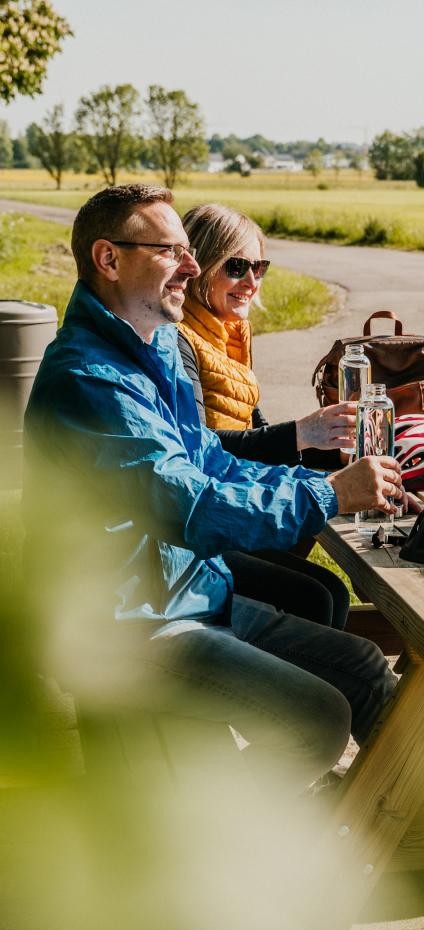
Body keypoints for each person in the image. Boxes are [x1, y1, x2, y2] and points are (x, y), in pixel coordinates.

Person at [23, 184, 403, 793]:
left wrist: (320, 482)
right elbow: (188, 504)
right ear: (109, 259)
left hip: (186, 592)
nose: (193, 266)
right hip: (127, 623)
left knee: (357, 663)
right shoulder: (91, 381)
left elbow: (214, 465)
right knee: (316, 719)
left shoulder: (156, 348)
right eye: (172, 251)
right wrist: (328, 496)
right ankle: (209, 838)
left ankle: (415, 815)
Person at [176, 202, 351, 629]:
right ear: (198, 265)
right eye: (237, 266)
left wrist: (338, 455)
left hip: (236, 495)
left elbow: (256, 432)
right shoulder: (180, 340)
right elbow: (201, 446)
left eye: (260, 266)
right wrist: (302, 435)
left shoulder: (228, 332)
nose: (252, 281)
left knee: (329, 591)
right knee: (314, 596)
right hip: (210, 513)